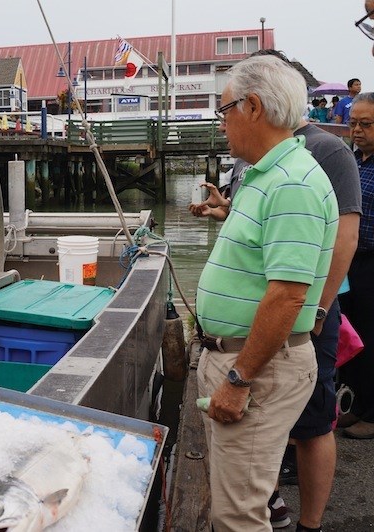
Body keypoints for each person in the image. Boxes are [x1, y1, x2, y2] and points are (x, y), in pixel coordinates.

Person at [196, 55, 338, 531]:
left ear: (252, 107)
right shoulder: (266, 175)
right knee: (236, 499)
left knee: (238, 515)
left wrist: (238, 380)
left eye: (224, 110)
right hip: (242, 360)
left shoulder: (292, 183)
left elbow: (286, 296)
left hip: (256, 369)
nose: (221, 124)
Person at [337, 93, 374, 439]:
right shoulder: (355, 161)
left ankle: (372, 415)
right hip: (351, 261)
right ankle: (357, 405)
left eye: (366, 124)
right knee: (353, 337)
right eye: (353, 123)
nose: (357, 130)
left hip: (370, 262)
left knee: (371, 337)